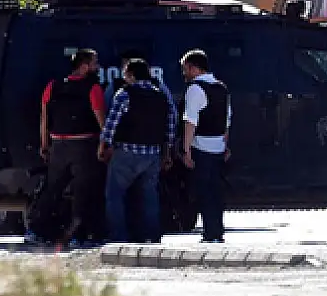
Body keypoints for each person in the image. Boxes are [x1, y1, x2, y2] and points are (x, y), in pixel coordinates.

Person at [34, 48, 107, 246]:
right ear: (84, 67)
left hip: (58, 144)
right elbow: (101, 120)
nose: (98, 67)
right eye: (94, 63)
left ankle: (37, 230)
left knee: (52, 189)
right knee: (82, 191)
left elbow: (44, 118)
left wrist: (44, 144)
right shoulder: (93, 88)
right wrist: (106, 144)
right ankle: (77, 234)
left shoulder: (53, 86)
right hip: (84, 146)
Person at [99, 58, 176, 244]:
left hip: (126, 152)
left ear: (131, 75)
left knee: (115, 194)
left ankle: (119, 235)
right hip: (152, 154)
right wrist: (167, 153)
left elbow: (111, 123)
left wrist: (104, 145)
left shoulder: (125, 94)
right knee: (149, 195)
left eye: (125, 73)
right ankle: (151, 235)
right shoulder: (161, 96)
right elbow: (170, 127)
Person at [179, 49, 231, 244]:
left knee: (203, 191)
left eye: (185, 69)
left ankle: (209, 233)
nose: (184, 73)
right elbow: (227, 121)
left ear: (193, 68)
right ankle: (216, 230)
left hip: (201, 147)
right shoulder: (222, 88)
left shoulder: (195, 89)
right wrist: (225, 145)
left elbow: (190, 121)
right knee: (216, 192)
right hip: (218, 146)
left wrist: (186, 150)